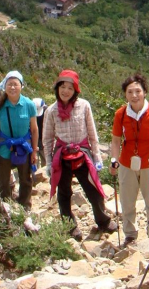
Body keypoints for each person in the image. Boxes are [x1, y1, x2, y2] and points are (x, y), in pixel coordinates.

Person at [41, 69, 116, 240]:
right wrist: (49, 163)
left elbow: (92, 133)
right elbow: (47, 138)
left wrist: (96, 156)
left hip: (83, 153)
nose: (65, 91)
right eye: (62, 87)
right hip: (61, 154)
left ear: (75, 90)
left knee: (93, 189)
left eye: (70, 88)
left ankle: (103, 221)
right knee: (64, 192)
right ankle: (70, 227)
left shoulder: (84, 106)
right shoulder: (51, 111)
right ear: (57, 88)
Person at [109, 74, 149, 244]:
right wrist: (114, 159)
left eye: (138, 91)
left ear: (145, 92)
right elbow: (116, 140)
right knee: (127, 200)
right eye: (130, 92)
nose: (134, 95)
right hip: (127, 162)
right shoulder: (121, 114)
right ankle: (130, 234)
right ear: (125, 95)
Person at [0, 71, 38, 210]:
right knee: (3, 181)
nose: (12, 87)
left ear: (21, 86)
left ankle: (25, 208)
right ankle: (4, 207)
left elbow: (34, 130)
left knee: (25, 180)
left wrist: (34, 151)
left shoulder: (29, 104)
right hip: (4, 147)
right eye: (9, 84)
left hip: (23, 148)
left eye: (15, 84)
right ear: (5, 86)